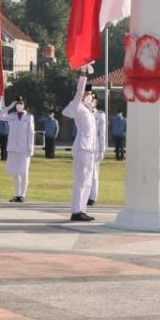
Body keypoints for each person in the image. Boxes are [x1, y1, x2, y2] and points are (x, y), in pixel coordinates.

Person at [62, 67, 98, 222]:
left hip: (90, 149)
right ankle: (76, 210)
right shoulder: (77, 106)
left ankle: (82, 209)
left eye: (90, 93)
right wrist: (83, 75)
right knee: (81, 180)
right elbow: (78, 92)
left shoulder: (89, 110)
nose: (89, 96)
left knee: (88, 180)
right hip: (82, 147)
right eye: (87, 93)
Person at [0, 95, 35, 202]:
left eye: (20, 103)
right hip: (12, 148)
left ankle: (22, 195)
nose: (18, 105)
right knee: (15, 172)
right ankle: (17, 195)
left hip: (24, 148)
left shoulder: (29, 117)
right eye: (17, 104)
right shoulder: (12, 115)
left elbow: (31, 134)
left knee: (24, 172)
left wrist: (30, 148)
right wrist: (9, 106)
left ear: (24, 105)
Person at [88, 102, 107, 206]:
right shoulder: (84, 113)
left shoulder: (100, 115)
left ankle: (92, 197)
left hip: (95, 147)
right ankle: (86, 195)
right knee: (85, 173)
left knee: (94, 174)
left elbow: (102, 134)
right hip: (85, 146)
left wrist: (102, 150)